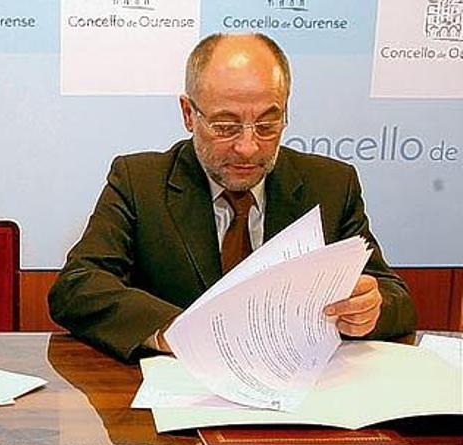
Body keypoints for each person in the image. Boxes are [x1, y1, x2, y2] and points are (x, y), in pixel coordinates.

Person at [48, 32, 416, 362]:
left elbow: (395, 297)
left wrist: (371, 306)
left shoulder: (331, 185)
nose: (247, 147)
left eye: (268, 125)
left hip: (299, 393)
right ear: (189, 114)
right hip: (180, 397)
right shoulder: (139, 182)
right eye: (226, 126)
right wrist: (178, 331)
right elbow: (78, 285)